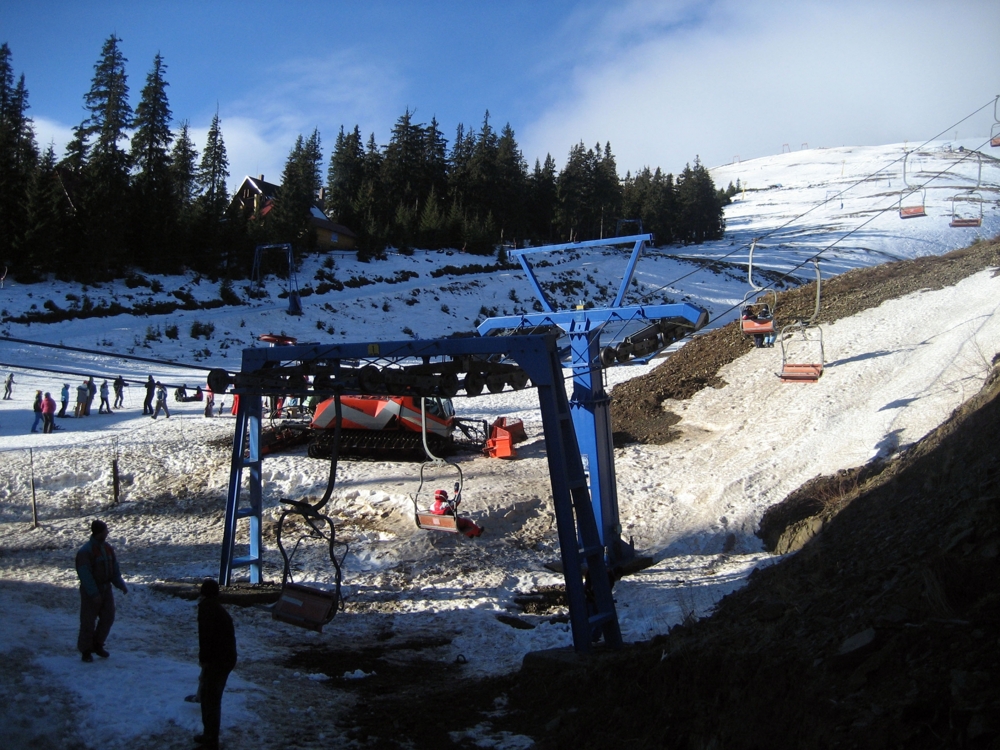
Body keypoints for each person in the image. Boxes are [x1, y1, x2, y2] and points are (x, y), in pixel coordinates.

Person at [76, 519, 128, 662]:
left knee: (108, 617)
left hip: (106, 589)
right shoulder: (86, 551)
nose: (107, 532)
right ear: (99, 532)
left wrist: (120, 584)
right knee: (88, 621)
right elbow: (85, 575)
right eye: (105, 530)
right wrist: (94, 593)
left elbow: (114, 570)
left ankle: (98, 644)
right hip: (91, 591)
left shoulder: (108, 549)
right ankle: (86, 650)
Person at [194, 578, 237, 749]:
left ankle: (211, 738)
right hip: (225, 658)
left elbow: (206, 638)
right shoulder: (217, 609)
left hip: (218, 660)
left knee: (210, 699)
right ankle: (210, 735)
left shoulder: (207, 610)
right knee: (210, 698)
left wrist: (205, 661)